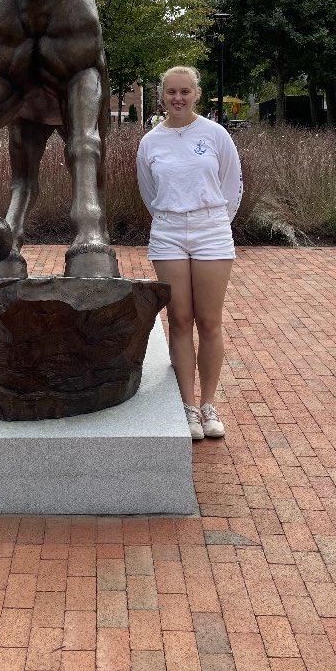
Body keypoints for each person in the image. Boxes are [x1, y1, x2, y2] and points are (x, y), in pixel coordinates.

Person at [136, 65, 242, 441]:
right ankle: (188, 406)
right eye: (170, 92)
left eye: (185, 92)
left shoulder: (215, 135)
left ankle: (209, 404)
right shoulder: (150, 141)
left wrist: (213, 222)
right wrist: (173, 218)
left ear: (196, 93)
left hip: (211, 230)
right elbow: (149, 192)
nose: (177, 99)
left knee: (208, 321)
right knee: (179, 321)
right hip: (167, 233)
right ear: (161, 95)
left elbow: (232, 185)